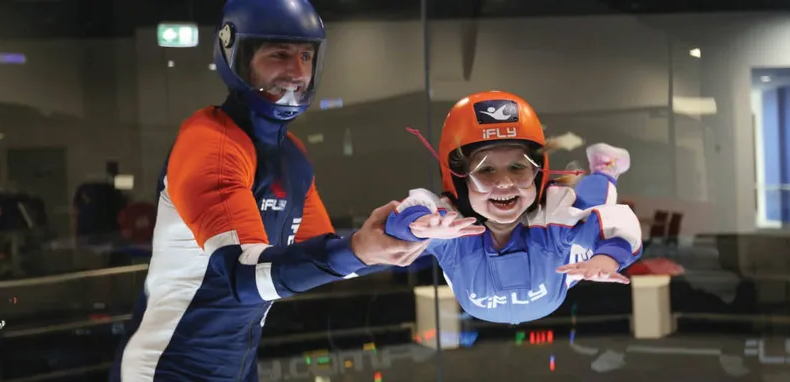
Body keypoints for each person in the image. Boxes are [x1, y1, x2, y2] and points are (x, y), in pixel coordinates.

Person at [109, 1, 429, 380]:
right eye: (279, 54)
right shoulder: (210, 141)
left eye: (306, 55)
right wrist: (359, 249)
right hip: (164, 368)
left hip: (237, 366)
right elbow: (245, 278)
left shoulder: (292, 156)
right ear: (239, 57)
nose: (296, 72)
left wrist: (405, 233)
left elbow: (322, 256)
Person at [385, 90, 649, 325]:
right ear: (460, 180)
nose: (505, 183)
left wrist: (607, 257)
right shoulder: (450, 228)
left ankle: (606, 168)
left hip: (562, 272)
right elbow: (410, 210)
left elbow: (617, 222)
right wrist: (417, 224)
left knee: (592, 205)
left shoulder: (553, 220)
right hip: (538, 291)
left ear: (537, 173)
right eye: (486, 170)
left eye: (518, 167)